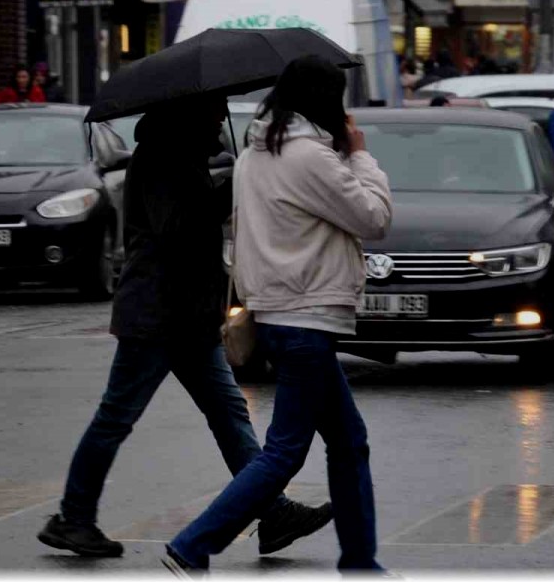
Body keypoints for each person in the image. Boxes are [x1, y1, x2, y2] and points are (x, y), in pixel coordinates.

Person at [38, 94, 333, 559]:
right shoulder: (160, 158)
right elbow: (175, 228)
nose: (220, 116)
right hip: (157, 315)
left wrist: (230, 183)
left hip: (187, 316)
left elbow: (191, 219)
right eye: (214, 109)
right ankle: (73, 518)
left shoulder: (184, 156)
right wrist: (232, 187)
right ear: (189, 114)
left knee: (229, 412)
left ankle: (271, 511)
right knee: (116, 417)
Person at [163, 55, 393, 574]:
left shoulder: (256, 153)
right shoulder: (309, 157)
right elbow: (374, 217)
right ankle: (193, 544)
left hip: (281, 314)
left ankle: (360, 561)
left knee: (349, 442)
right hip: (307, 317)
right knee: (284, 453)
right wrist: (360, 155)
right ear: (324, 100)